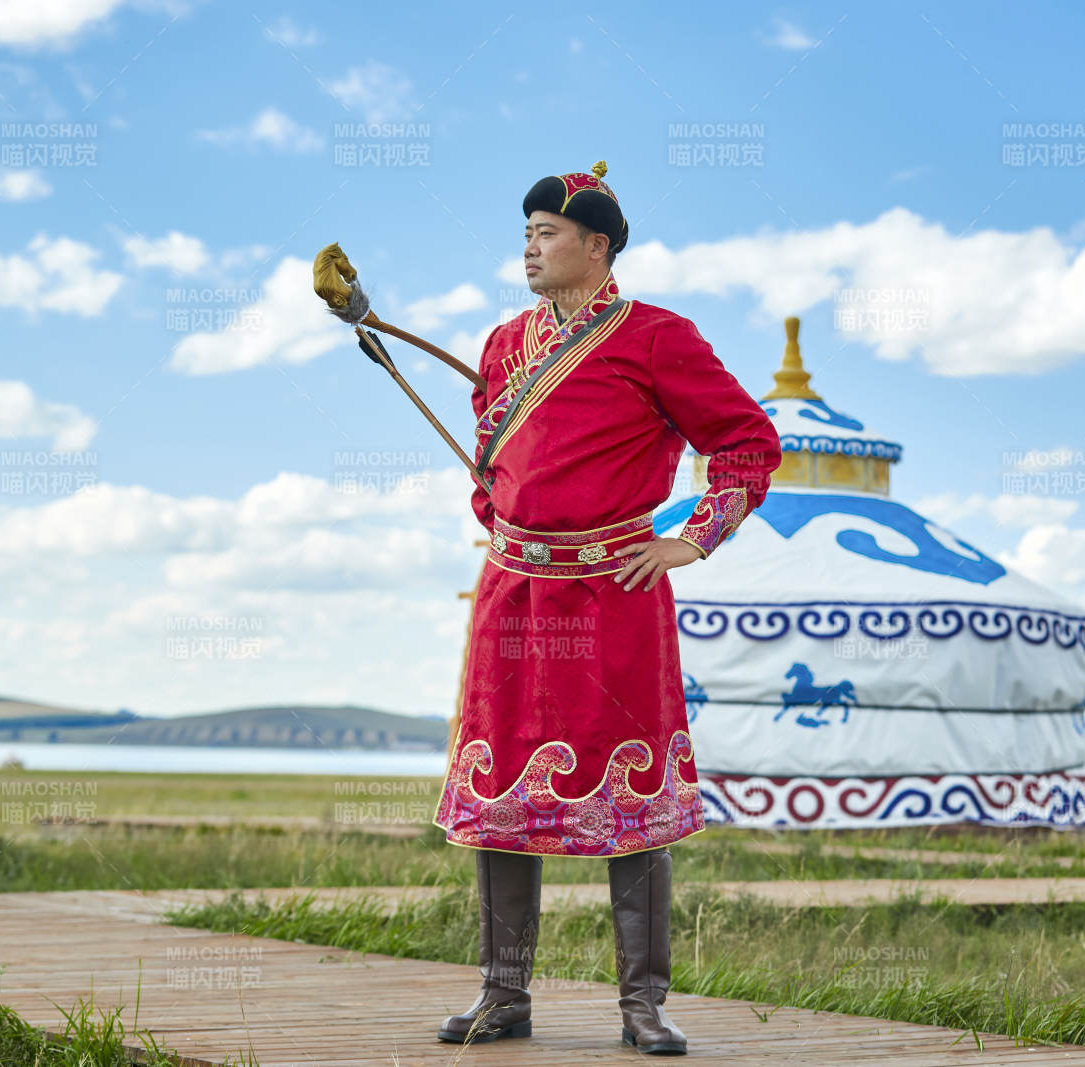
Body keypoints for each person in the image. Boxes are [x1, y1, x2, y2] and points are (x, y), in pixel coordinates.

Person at [432, 161, 783, 1055]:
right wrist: (514, 525)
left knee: (634, 804)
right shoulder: (505, 344)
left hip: (613, 593)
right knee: (501, 794)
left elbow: (747, 443)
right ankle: (503, 995)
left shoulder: (659, 337)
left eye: (547, 232)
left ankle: (642, 1007)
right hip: (513, 598)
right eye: (525, 234)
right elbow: (489, 468)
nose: (530, 246)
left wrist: (690, 538)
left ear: (597, 246)